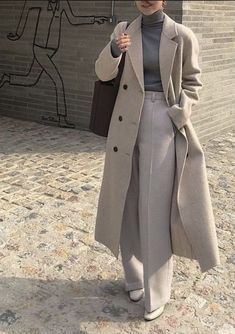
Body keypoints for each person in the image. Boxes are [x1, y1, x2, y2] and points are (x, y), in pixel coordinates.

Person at [94, 0, 220, 321]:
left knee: (154, 206)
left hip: (162, 121)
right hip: (125, 123)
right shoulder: (124, 31)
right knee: (126, 200)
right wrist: (113, 50)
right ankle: (133, 277)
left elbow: (193, 81)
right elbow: (102, 73)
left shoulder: (182, 35)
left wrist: (178, 113)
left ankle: (157, 292)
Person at [0, 0, 107, 128]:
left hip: (51, 51)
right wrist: (18, 34)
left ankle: (7, 77)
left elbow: (73, 19)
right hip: (40, 49)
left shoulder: (62, 3)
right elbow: (27, 6)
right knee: (58, 82)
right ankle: (61, 118)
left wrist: (94, 19)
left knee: (30, 79)